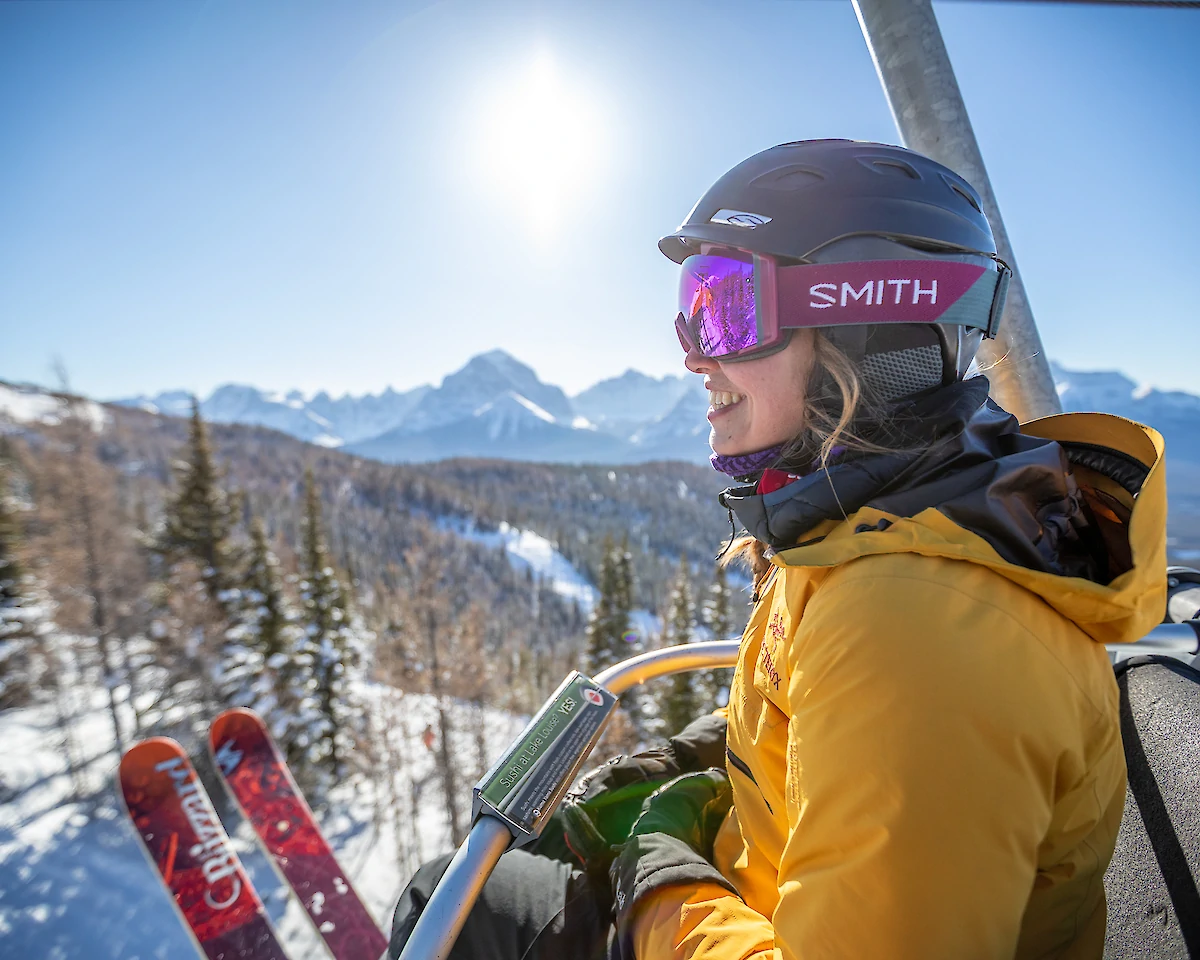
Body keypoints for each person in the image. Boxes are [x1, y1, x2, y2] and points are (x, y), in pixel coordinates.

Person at [389, 140, 1166, 960]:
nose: (693, 349)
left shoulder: (917, 630)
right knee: (458, 891)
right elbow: (822, 728)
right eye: (692, 303)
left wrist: (658, 885)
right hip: (753, 887)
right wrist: (700, 756)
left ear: (867, 327)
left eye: (727, 307)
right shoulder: (882, 520)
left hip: (730, 922)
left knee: (449, 910)